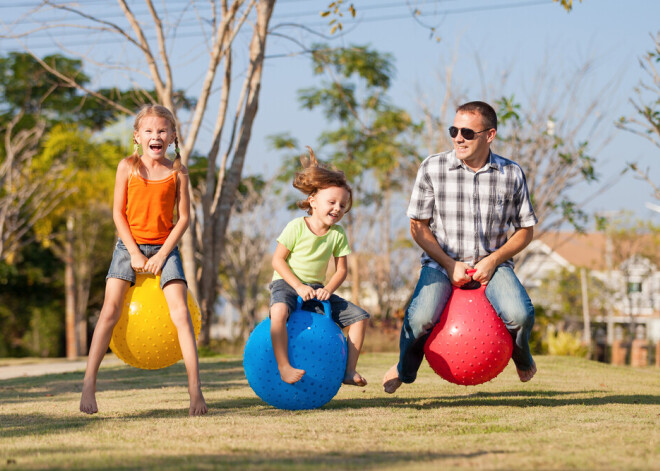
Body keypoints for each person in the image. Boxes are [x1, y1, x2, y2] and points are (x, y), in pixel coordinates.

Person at [383, 101, 538, 394]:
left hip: (493, 266)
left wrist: (493, 261)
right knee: (420, 317)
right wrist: (448, 263)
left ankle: (522, 355)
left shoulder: (511, 173)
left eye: (467, 132)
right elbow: (418, 226)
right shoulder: (432, 166)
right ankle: (405, 368)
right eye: (454, 130)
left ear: (489, 135)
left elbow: (525, 231)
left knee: (521, 315)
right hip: (442, 263)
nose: (458, 138)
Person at [79, 105, 207, 416]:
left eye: (162, 131)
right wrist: (134, 252)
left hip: (165, 248)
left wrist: (163, 254)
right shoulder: (127, 167)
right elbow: (117, 214)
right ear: (137, 137)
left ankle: (195, 391)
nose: (156, 136)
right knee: (109, 310)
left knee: (181, 315)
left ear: (173, 136)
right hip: (128, 247)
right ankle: (88, 384)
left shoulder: (179, 172)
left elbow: (185, 218)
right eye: (149, 131)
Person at [270, 147, 370, 386]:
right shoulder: (296, 226)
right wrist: (298, 286)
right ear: (313, 201)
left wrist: (328, 289)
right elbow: (277, 260)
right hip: (287, 283)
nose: (337, 208)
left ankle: (349, 371)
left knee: (360, 318)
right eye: (332, 202)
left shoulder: (337, 234)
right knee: (279, 314)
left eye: (343, 205)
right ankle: (283, 366)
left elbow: (342, 270)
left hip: (316, 288)